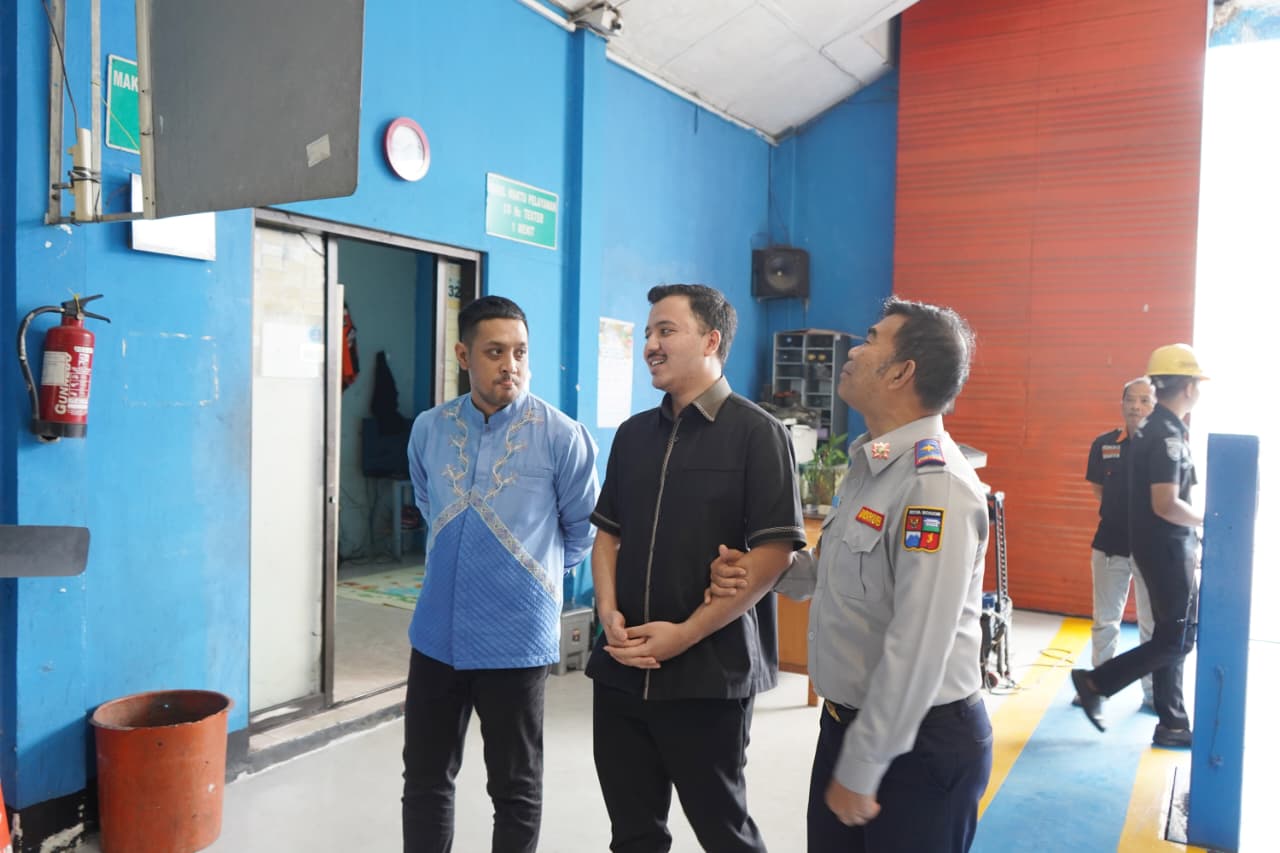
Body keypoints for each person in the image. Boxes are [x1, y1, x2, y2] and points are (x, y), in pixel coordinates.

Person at [713, 297, 992, 853]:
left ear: (901, 372)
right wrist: (760, 570)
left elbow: (918, 647)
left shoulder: (934, 487)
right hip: (847, 725)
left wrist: (865, 764)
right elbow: (830, 573)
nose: (854, 351)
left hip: (916, 746)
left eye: (870, 340)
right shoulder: (872, 462)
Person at [587, 284, 806, 852]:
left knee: (723, 831)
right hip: (622, 666)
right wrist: (607, 611)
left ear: (711, 341)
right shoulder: (634, 435)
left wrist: (683, 635)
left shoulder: (758, 434)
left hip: (709, 675)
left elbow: (775, 553)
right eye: (648, 333)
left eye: (666, 331)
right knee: (632, 834)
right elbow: (608, 533)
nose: (650, 345)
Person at [401, 295, 599, 853]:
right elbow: (428, 500)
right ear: (464, 355)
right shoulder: (429, 429)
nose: (510, 365)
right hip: (437, 634)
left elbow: (581, 530)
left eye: (520, 352)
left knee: (515, 787)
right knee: (425, 780)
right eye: (494, 352)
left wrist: (528, 584)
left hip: (517, 639)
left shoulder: (562, 436)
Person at [1072, 344, 1208, 747]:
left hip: (1152, 546)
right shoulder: (1166, 434)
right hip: (1168, 549)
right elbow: (1165, 503)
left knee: (1169, 636)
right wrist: (1207, 520)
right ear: (1188, 387)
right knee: (1177, 638)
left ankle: (1172, 722)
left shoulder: (1151, 430)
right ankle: (1097, 682)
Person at [1080, 378, 1156, 710]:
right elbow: (1099, 490)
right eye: (1131, 399)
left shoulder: (1161, 446)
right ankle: (1097, 688)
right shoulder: (1104, 444)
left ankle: (1152, 694)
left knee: (1151, 628)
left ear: (1154, 406)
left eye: (1144, 400)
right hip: (1109, 546)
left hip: (1150, 551)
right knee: (1105, 622)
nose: (1136, 406)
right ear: (1122, 403)